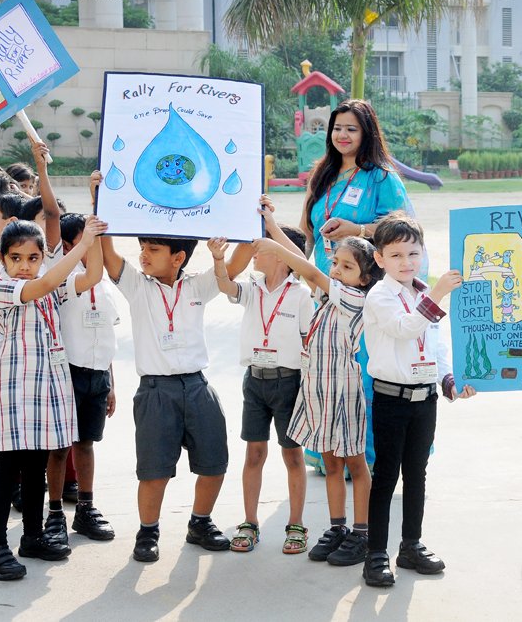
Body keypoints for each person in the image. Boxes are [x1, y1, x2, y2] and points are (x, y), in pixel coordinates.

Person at [96, 170, 232, 562]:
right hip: (155, 391)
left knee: (214, 461)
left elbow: (237, 265)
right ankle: (148, 532)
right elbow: (109, 258)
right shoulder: (138, 286)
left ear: (179, 257)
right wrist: (100, 203)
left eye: (153, 249)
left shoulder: (197, 286)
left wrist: (250, 223)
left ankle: (200, 522)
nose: (143, 254)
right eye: (142, 247)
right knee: (154, 470)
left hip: (197, 386)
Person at [300, 99, 416, 473]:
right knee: (330, 374)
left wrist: (358, 230)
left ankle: (367, 458)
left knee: (364, 374)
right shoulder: (322, 174)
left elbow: (404, 229)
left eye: (352, 128)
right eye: (337, 128)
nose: (342, 135)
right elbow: (308, 232)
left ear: (366, 133)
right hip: (327, 293)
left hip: (368, 297)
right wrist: (310, 278)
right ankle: (328, 455)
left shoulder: (382, 178)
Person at [361, 212, 475, 587]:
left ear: (423, 253)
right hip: (391, 399)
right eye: (395, 255)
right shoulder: (380, 296)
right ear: (379, 259)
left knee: (417, 474)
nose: (406, 262)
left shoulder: (422, 292)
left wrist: (449, 380)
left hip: (425, 398)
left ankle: (411, 545)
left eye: (412, 253)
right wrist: (438, 293)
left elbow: (435, 345)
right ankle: (376, 554)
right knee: (385, 477)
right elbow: (406, 328)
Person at [0, 216, 107, 581]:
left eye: (32, 257)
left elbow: (91, 278)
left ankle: (32, 536)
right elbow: (44, 283)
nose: (24, 266)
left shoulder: (51, 286)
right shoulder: (2, 287)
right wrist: (84, 242)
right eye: (15, 258)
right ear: (2, 259)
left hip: (45, 392)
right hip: (12, 394)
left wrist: (96, 242)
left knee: (36, 468)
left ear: (43, 256)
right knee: (7, 470)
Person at [206, 202, 315, 556]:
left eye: (261, 247)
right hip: (254, 382)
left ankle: (296, 524)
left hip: (289, 383)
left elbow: (302, 265)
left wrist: (272, 226)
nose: (254, 252)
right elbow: (225, 287)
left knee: (292, 455)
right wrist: (219, 261)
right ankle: (250, 522)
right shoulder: (252, 288)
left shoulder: (301, 296)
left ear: (280, 255)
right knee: (254, 452)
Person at [265, 231, 380, 567]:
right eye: (335, 263)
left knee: (355, 463)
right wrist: (272, 228)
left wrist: (273, 247)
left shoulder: (355, 299)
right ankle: (337, 528)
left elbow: (310, 272)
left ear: (365, 277)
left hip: (343, 391)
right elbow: (304, 267)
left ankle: (361, 532)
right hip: (318, 390)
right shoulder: (328, 296)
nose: (336, 270)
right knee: (331, 463)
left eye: (347, 266)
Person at [43, 213, 119, 549]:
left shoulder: (104, 287)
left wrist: (111, 381)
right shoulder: (64, 278)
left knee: (86, 444)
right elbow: (90, 272)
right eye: (85, 239)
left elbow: (107, 335)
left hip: (98, 374)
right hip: (67, 373)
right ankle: (55, 513)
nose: (93, 246)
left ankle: (85, 508)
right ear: (70, 245)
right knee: (60, 448)